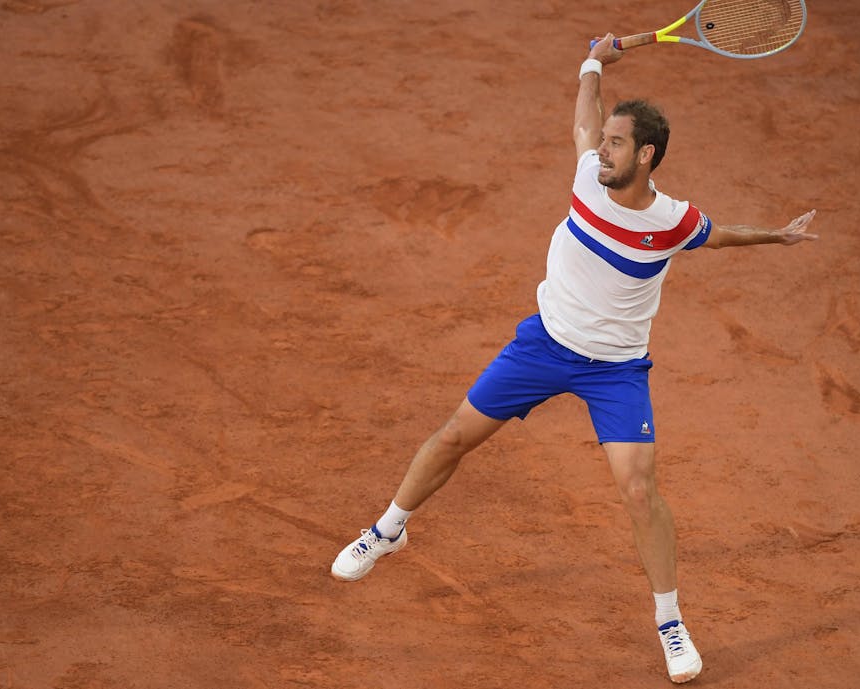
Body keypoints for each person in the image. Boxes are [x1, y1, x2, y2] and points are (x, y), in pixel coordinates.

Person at [330, 33, 818, 684]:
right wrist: (593, 63)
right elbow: (584, 117)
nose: (601, 149)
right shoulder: (588, 176)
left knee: (640, 490)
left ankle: (670, 621)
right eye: (606, 140)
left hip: (616, 369)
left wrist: (779, 235)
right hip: (543, 344)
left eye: (617, 143)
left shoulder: (673, 222)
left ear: (646, 155)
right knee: (453, 436)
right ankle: (389, 528)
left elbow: (721, 235)